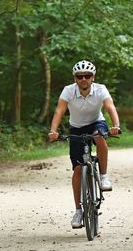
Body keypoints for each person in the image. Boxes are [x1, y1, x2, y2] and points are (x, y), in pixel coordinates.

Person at [47, 60, 121, 229]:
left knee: (99, 136)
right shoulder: (68, 91)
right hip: (77, 128)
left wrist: (116, 126)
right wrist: (53, 131)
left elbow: (110, 107)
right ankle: (78, 210)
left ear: (93, 77)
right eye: (80, 77)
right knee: (78, 169)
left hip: (97, 123)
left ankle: (103, 176)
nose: (83, 79)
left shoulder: (100, 89)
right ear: (75, 79)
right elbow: (60, 110)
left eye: (87, 76)